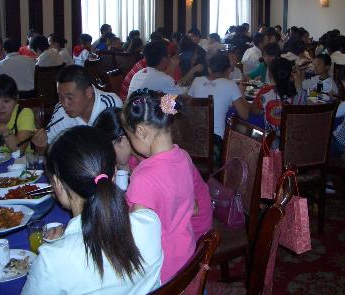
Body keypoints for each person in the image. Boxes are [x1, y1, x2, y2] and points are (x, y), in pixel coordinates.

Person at [22, 126, 163, 295]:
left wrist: (59, 247)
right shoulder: (149, 222)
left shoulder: (51, 261)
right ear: (114, 174)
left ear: (57, 184)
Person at [123, 90, 210, 283]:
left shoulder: (144, 177)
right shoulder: (183, 157)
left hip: (161, 270)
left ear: (141, 132)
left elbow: (137, 236)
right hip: (186, 256)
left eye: (129, 137)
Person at [32, 65, 122, 147]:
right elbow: (47, 147)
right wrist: (40, 145)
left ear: (88, 92)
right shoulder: (61, 110)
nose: (64, 104)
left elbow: (118, 147)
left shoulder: (110, 105)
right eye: (60, 97)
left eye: (70, 97)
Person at [189, 52, 250, 143]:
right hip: (215, 142)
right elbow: (245, 115)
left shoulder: (197, 81)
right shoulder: (230, 85)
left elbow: (189, 104)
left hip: (193, 138)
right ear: (229, 70)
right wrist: (241, 92)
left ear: (209, 69)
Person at [252, 57, 305, 146]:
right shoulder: (299, 93)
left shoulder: (265, 92)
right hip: (294, 143)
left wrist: (264, 111)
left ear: (270, 75)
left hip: (271, 144)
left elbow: (253, 110)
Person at [93, 107, 136, 172]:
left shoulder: (143, 161)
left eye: (108, 147)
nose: (108, 154)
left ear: (123, 139)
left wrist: (122, 166)